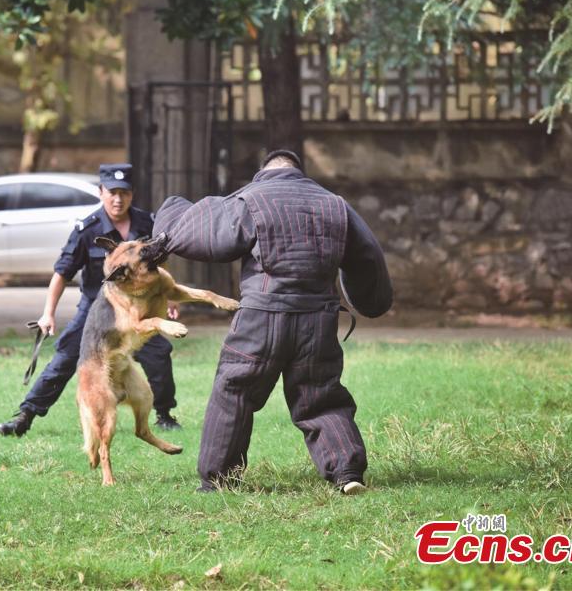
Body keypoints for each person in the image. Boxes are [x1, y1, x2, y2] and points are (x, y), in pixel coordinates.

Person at [151, 149, 392, 494]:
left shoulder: (251, 199)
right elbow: (368, 256)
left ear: (264, 172)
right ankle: (347, 472)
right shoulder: (335, 204)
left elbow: (206, 233)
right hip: (318, 321)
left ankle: (218, 480)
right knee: (321, 397)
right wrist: (372, 301)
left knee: (234, 391)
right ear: (299, 172)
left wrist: (169, 217)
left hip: (260, 321)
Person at [0, 163, 181, 437]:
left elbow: (159, 263)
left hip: (136, 310)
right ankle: (25, 415)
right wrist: (48, 314)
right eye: (112, 192)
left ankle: (164, 414)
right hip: (97, 312)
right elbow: (61, 273)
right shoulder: (88, 229)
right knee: (65, 359)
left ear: (132, 194)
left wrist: (169, 297)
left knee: (159, 355)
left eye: (124, 193)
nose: (118, 199)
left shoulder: (147, 223)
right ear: (101, 192)